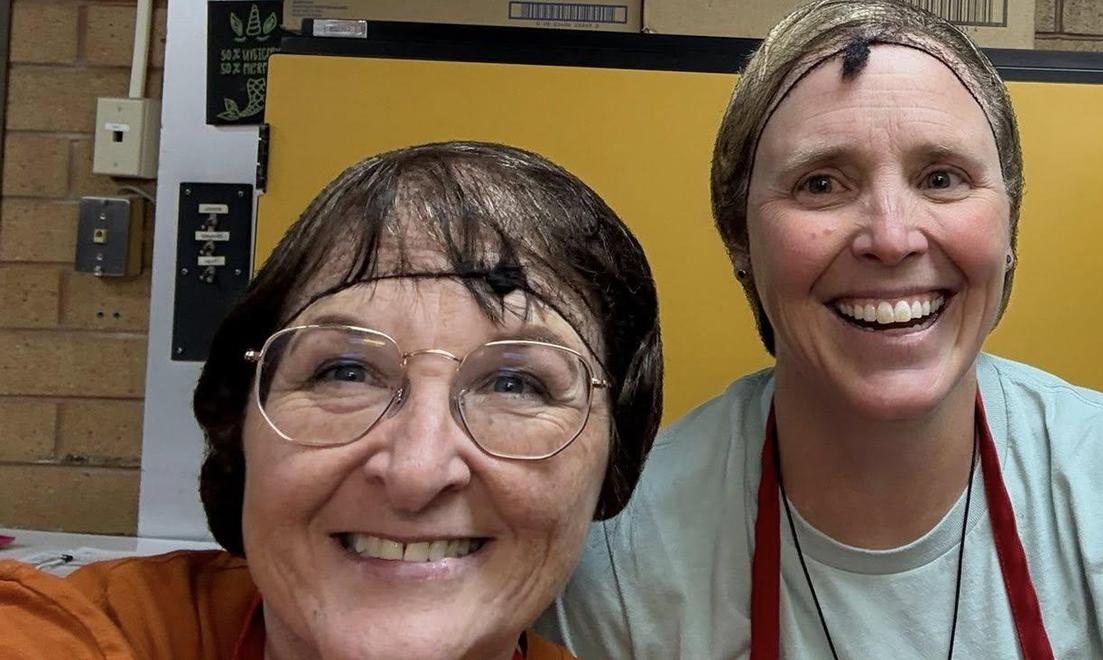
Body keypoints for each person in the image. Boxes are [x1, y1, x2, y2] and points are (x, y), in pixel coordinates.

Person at [539, 1, 1103, 657]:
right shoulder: (622, 547)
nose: (891, 238)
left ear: (1008, 221)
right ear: (738, 233)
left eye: (942, 178)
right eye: (820, 182)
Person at [0, 141, 664, 660]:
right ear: (238, 425)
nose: (416, 471)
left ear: (614, 462)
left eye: (517, 384)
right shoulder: (74, 633)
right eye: (345, 372)